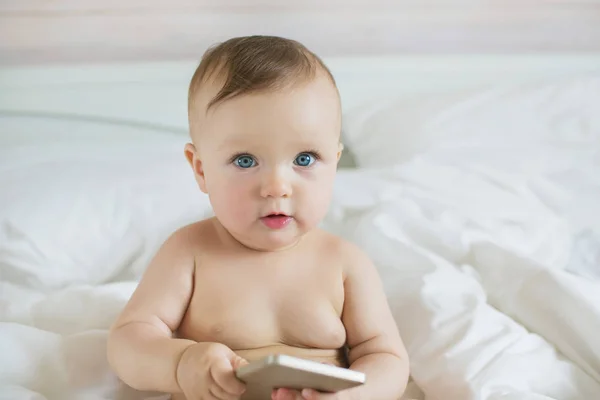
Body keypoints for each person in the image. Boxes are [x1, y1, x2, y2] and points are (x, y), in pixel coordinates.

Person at [107, 35, 409, 400]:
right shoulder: (189, 252)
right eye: (245, 161)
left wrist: (353, 396)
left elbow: (386, 358)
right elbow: (128, 341)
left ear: (335, 163)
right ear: (201, 170)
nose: (277, 187)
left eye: (304, 159)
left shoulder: (344, 263)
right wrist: (181, 363)